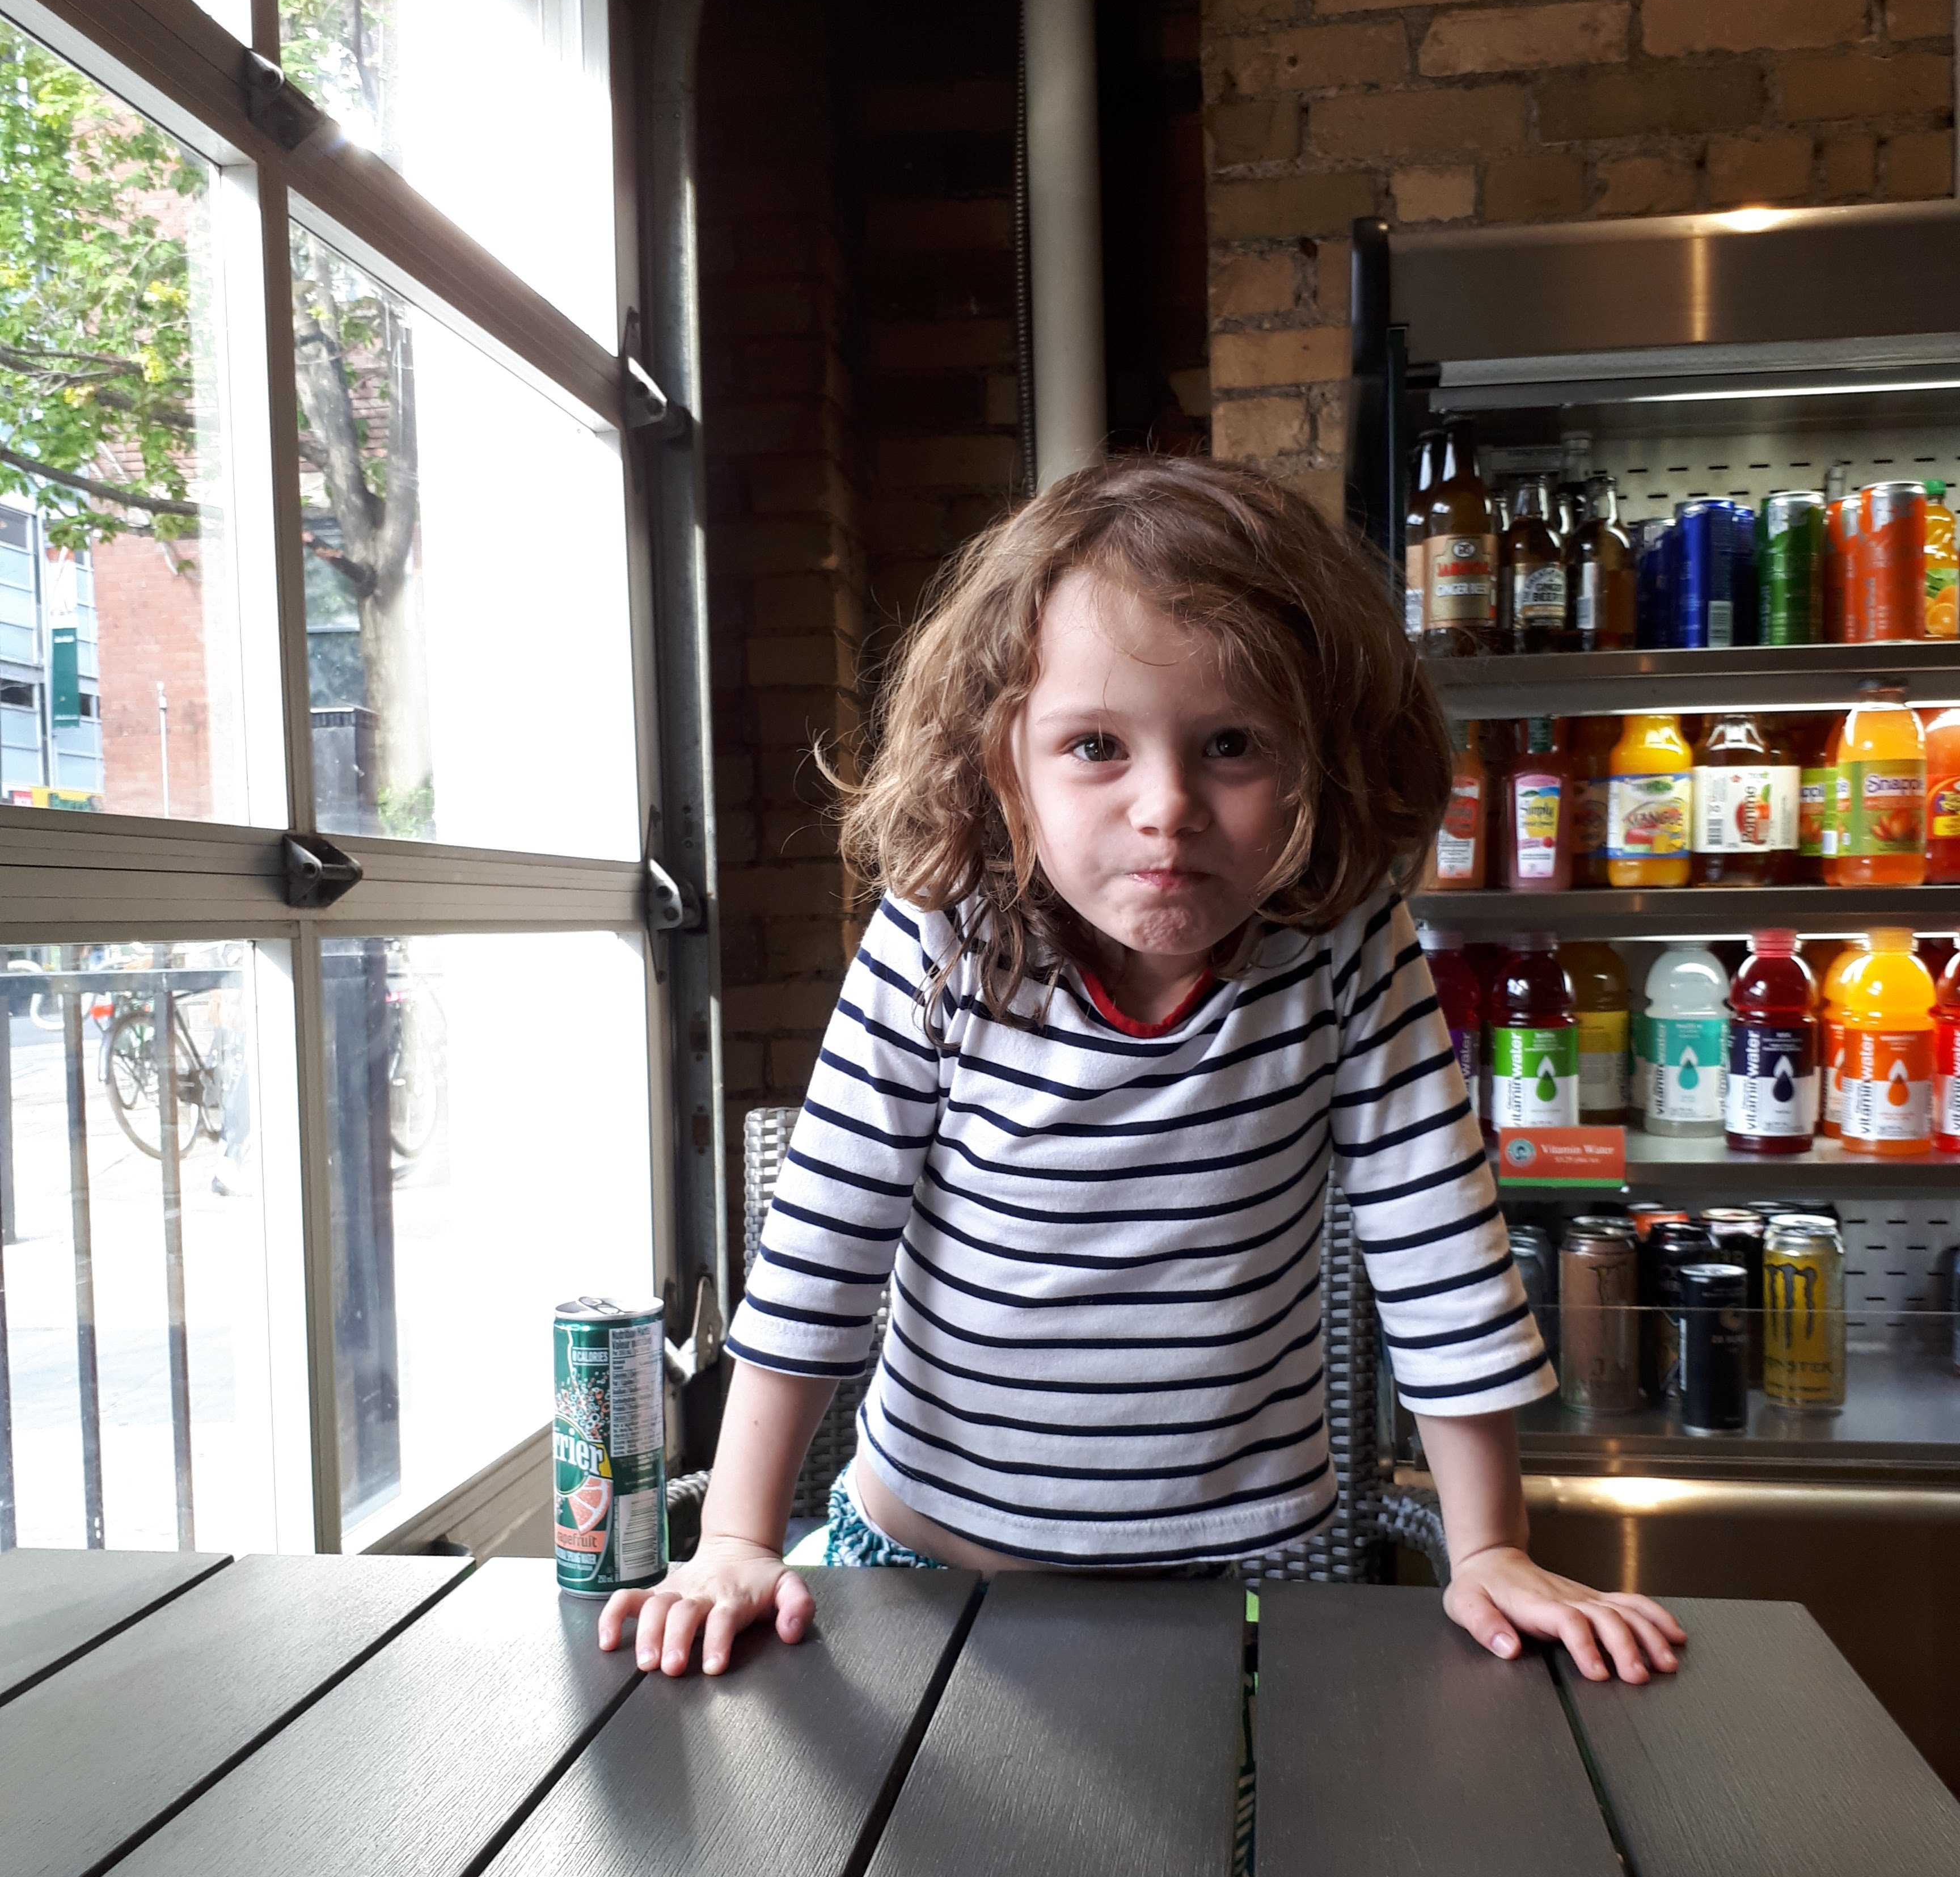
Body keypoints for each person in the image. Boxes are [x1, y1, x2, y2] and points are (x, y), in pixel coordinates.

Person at [600, 458, 1684, 1687]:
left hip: (1218, 1594)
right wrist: (736, 1540)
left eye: (1232, 745)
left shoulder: (1342, 944)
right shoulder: (941, 936)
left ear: (1322, 760)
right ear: (1002, 763)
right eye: (1095, 746)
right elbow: (824, 1240)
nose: (1167, 806)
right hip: (918, 1569)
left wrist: (1489, 1547)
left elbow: (1436, 1237)